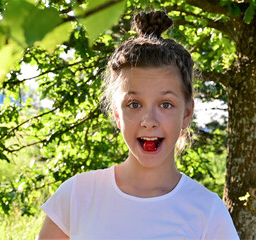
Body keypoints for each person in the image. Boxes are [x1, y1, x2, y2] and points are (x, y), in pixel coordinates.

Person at [38, 11, 239, 240]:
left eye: (165, 104)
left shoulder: (208, 212)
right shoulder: (76, 196)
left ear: (187, 113)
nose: (149, 121)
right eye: (134, 104)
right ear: (116, 114)